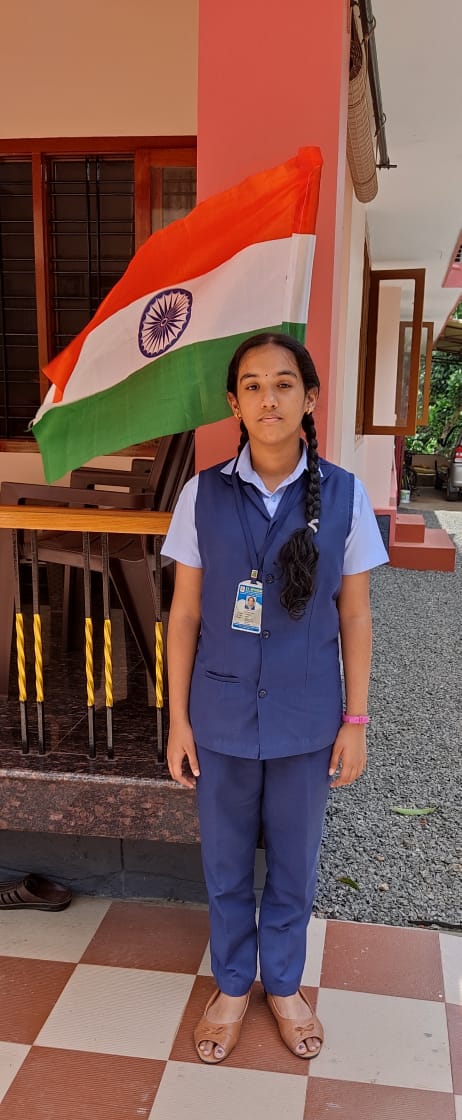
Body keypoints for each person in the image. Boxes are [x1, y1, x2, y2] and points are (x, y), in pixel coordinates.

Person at [162, 332, 388, 1065]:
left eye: (284, 383)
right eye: (253, 386)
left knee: (294, 864)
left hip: (306, 719)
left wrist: (355, 721)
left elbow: (355, 614)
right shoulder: (202, 494)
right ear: (234, 404)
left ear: (309, 398)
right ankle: (232, 986)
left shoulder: (345, 495)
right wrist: (178, 719)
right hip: (221, 717)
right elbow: (185, 614)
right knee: (226, 866)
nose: (269, 398)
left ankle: (284, 985)